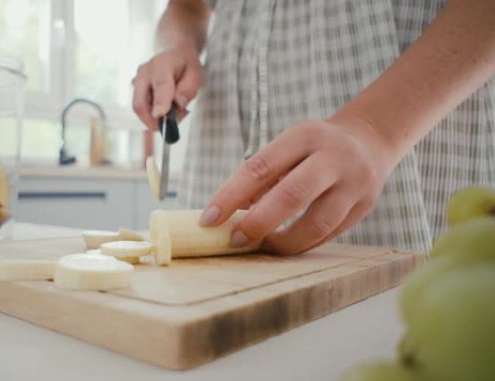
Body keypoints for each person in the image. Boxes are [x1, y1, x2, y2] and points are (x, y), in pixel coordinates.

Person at [132, 0, 495, 255]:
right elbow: (187, 5)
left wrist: (375, 128)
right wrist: (178, 44)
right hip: (221, 141)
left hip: (404, 125)